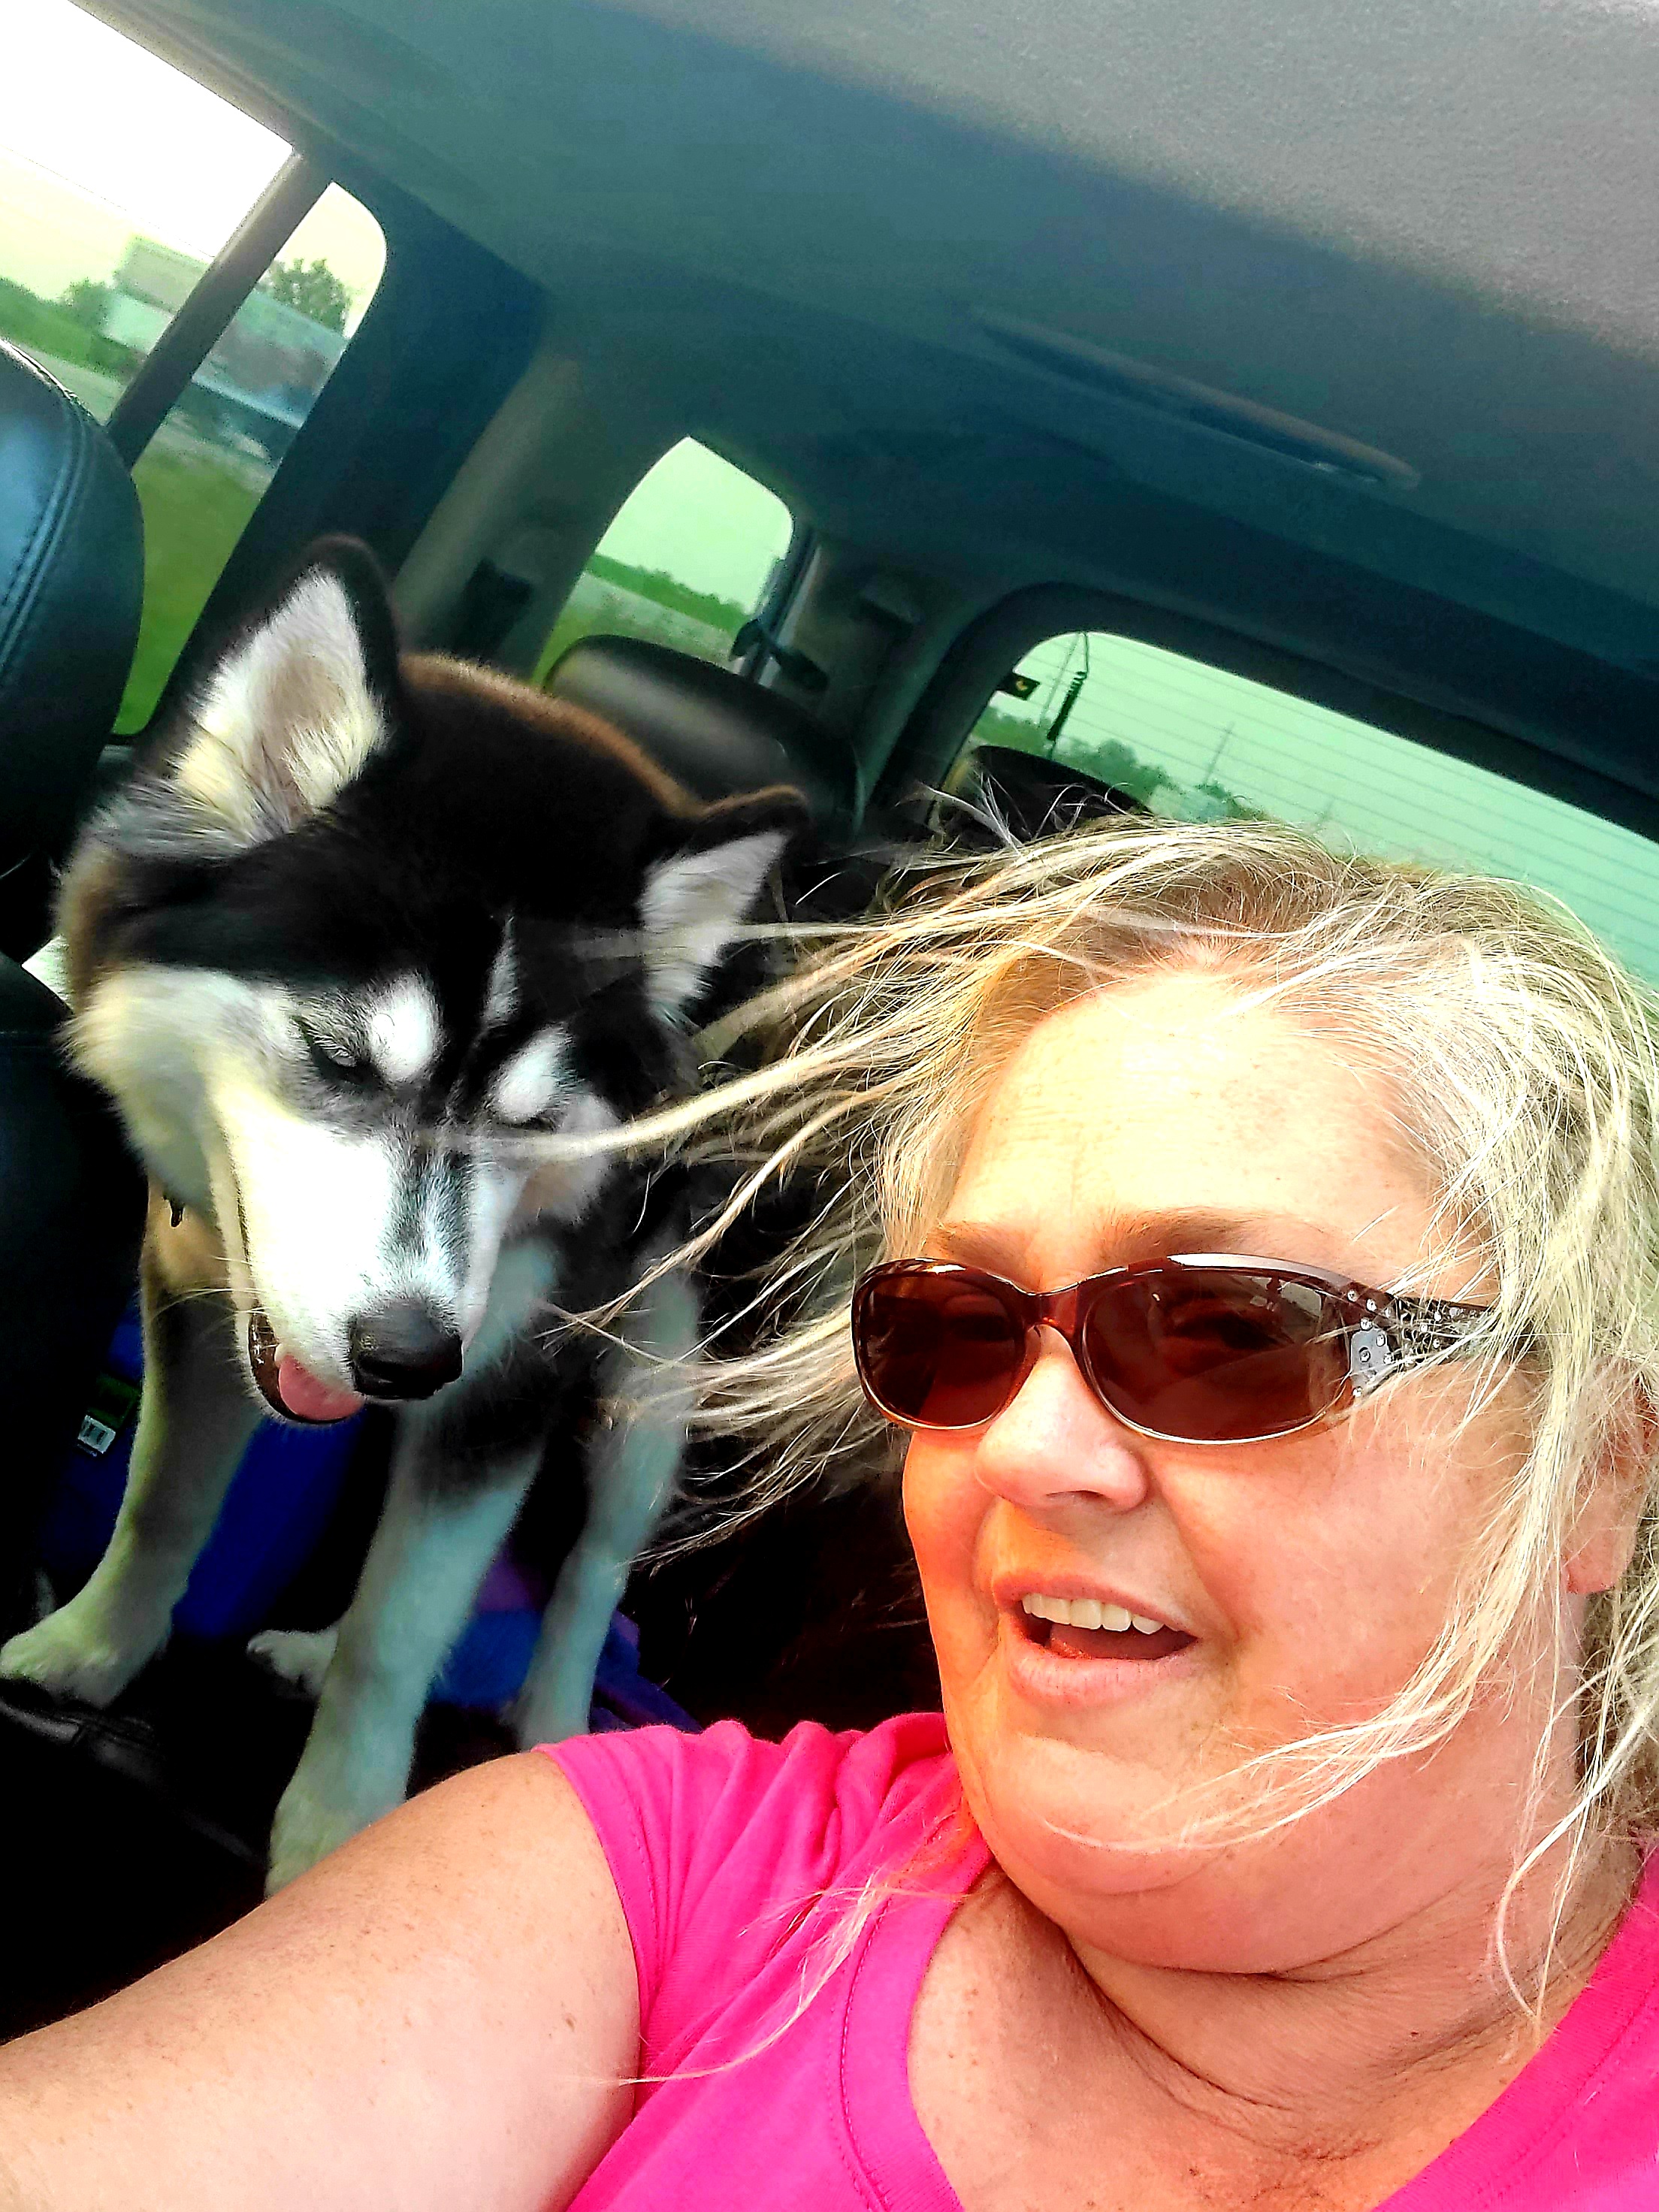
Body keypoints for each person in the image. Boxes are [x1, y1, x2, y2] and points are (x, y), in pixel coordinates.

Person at [2, 816, 1657, 2210]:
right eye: (957, 1328)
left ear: (1597, 1462)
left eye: (1224, 1328)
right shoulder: (654, 1886)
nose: (1021, 1450)